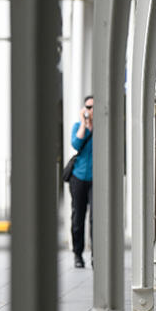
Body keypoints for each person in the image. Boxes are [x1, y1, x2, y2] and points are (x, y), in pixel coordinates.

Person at [69, 95, 94, 268]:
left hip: (96, 179)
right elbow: (76, 144)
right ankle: (78, 254)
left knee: (96, 219)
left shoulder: (102, 128)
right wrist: (84, 123)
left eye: (93, 107)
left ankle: (96, 255)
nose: (91, 110)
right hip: (78, 177)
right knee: (78, 217)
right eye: (88, 107)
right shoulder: (79, 127)